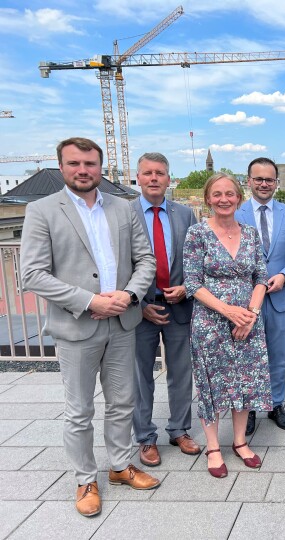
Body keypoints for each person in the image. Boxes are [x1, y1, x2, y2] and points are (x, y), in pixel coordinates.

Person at [20, 137, 160, 517]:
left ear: (101, 167)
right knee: (79, 410)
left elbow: (144, 260)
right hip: (76, 326)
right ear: (62, 167)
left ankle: (118, 466)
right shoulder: (42, 210)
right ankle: (85, 478)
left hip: (122, 322)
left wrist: (129, 297)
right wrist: (90, 300)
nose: (83, 170)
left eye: (90, 164)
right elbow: (32, 273)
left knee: (121, 402)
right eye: (74, 164)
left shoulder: (124, 207)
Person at [183, 172, 272, 477]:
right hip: (211, 323)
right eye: (217, 194)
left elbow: (261, 276)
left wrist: (251, 314)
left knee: (245, 380)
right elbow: (193, 283)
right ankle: (213, 447)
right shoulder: (197, 234)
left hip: (248, 322)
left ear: (239, 198)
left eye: (230, 194)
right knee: (211, 382)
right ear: (208, 199)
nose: (224, 199)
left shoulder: (250, 233)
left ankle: (239, 441)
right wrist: (228, 311)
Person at [131, 152, 200, 467]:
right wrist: (140, 303)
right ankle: (145, 437)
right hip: (139, 311)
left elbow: (196, 259)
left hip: (179, 306)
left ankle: (179, 429)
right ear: (138, 177)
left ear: (169, 179)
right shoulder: (124, 213)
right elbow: (119, 264)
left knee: (181, 372)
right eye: (148, 173)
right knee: (140, 376)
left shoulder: (185, 214)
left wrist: (187, 287)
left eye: (160, 173)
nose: (154, 178)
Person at [236, 157, 285, 435]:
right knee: (248, 355)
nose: (264, 184)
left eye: (270, 179)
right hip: (244, 301)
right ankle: (249, 407)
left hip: (279, 297)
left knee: (277, 355)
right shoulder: (235, 214)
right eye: (259, 179)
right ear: (249, 180)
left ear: (277, 182)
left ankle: (275, 404)